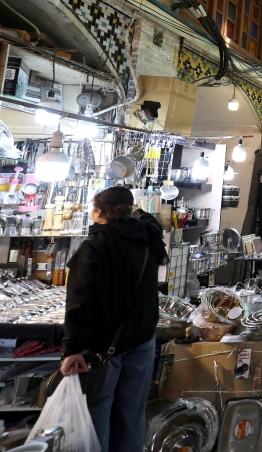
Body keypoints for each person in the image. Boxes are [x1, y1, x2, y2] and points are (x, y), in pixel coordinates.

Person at [61, 186, 168, 451]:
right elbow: (149, 219)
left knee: (97, 415)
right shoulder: (146, 236)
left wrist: (72, 349)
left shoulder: (94, 246)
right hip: (142, 339)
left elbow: (79, 303)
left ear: (98, 212)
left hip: (103, 347)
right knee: (131, 415)